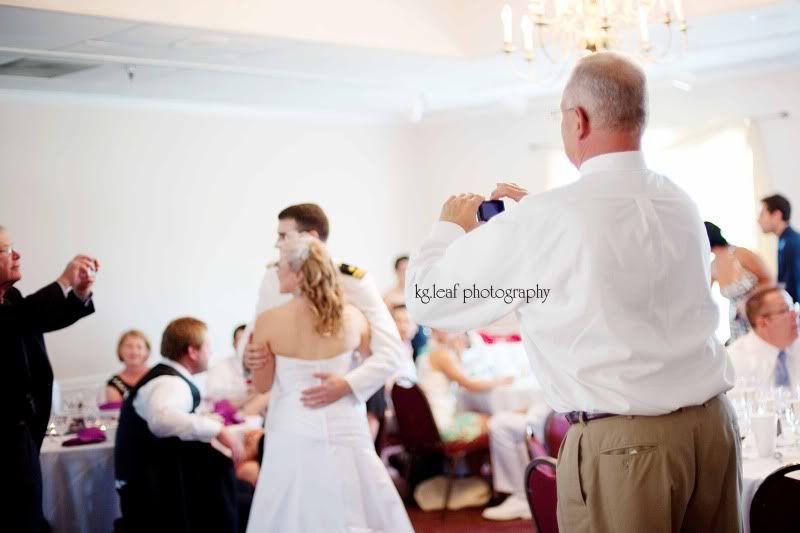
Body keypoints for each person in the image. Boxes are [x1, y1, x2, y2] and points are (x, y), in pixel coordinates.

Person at [405, 53, 740, 532]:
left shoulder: (548, 218)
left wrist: (448, 229)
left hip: (628, 447)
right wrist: (534, 216)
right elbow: (614, 272)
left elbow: (427, 299)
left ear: (578, 120)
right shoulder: (678, 200)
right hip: (711, 431)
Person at [246, 234, 412, 532]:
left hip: (292, 423)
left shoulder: (268, 322)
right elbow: (371, 359)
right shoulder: (353, 318)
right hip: (345, 419)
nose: (276, 272)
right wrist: (346, 381)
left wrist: (256, 361)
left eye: (281, 266)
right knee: (357, 499)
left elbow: (262, 385)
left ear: (298, 275)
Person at [242, 203, 407, 413]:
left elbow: (391, 352)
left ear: (311, 236)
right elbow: (252, 338)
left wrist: (348, 384)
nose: (277, 244)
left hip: (338, 401)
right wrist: (250, 358)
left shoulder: (353, 280)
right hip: (284, 402)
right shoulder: (273, 278)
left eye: (284, 236)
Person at [0, 226, 97, 532]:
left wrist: (78, 293)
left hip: (24, 428)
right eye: (6, 250)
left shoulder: (11, 297)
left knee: (28, 511)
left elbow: (33, 320)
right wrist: (63, 281)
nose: (17, 255)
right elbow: (16, 321)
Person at [114, 317, 245, 532]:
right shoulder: (170, 382)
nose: (211, 353)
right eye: (208, 347)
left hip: (156, 479)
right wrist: (218, 430)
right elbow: (163, 420)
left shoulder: (168, 376)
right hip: (147, 489)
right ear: (193, 352)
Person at [416, 329, 511, 442]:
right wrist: (499, 381)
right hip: (443, 425)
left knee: (486, 417)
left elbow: (460, 380)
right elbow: (470, 385)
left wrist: (458, 353)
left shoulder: (423, 352)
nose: (456, 333)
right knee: (497, 423)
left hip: (429, 424)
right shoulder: (441, 354)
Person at [481, 403, 551, 521]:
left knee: (498, 425)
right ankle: (524, 494)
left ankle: (522, 496)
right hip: (551, 413)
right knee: (500, 420)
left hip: (552, 418)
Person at [704, 221, 772, 342]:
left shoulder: (740, 254)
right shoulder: (712, 267)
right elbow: (702, 295)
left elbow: (769, 279)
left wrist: (748, 301)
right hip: (736, 324)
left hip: (759, 315)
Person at [728, 287, 800, 391]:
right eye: (786, 309)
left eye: (794, 307)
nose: (796, 314)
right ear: (763, 322)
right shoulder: (734, 361)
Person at [207, 324, 269, 416]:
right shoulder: (220, 367)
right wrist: (252, 396)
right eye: (240, 340)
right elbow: (216, 403)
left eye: (248, 340)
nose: (245, 345)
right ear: (233, 344)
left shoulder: (264, 367)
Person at [758, 194, 800, 304]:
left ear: (776, 215)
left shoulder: (791, 243)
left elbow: (794, 286)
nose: (758, 220)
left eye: (762, 214)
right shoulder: (784, 241)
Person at [106, 330, 152, 402]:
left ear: (147, 351)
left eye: (139, 347)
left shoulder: (157, 376)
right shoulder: (114, 384)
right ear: (120, 350)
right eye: (129, 346)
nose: (134, 351)